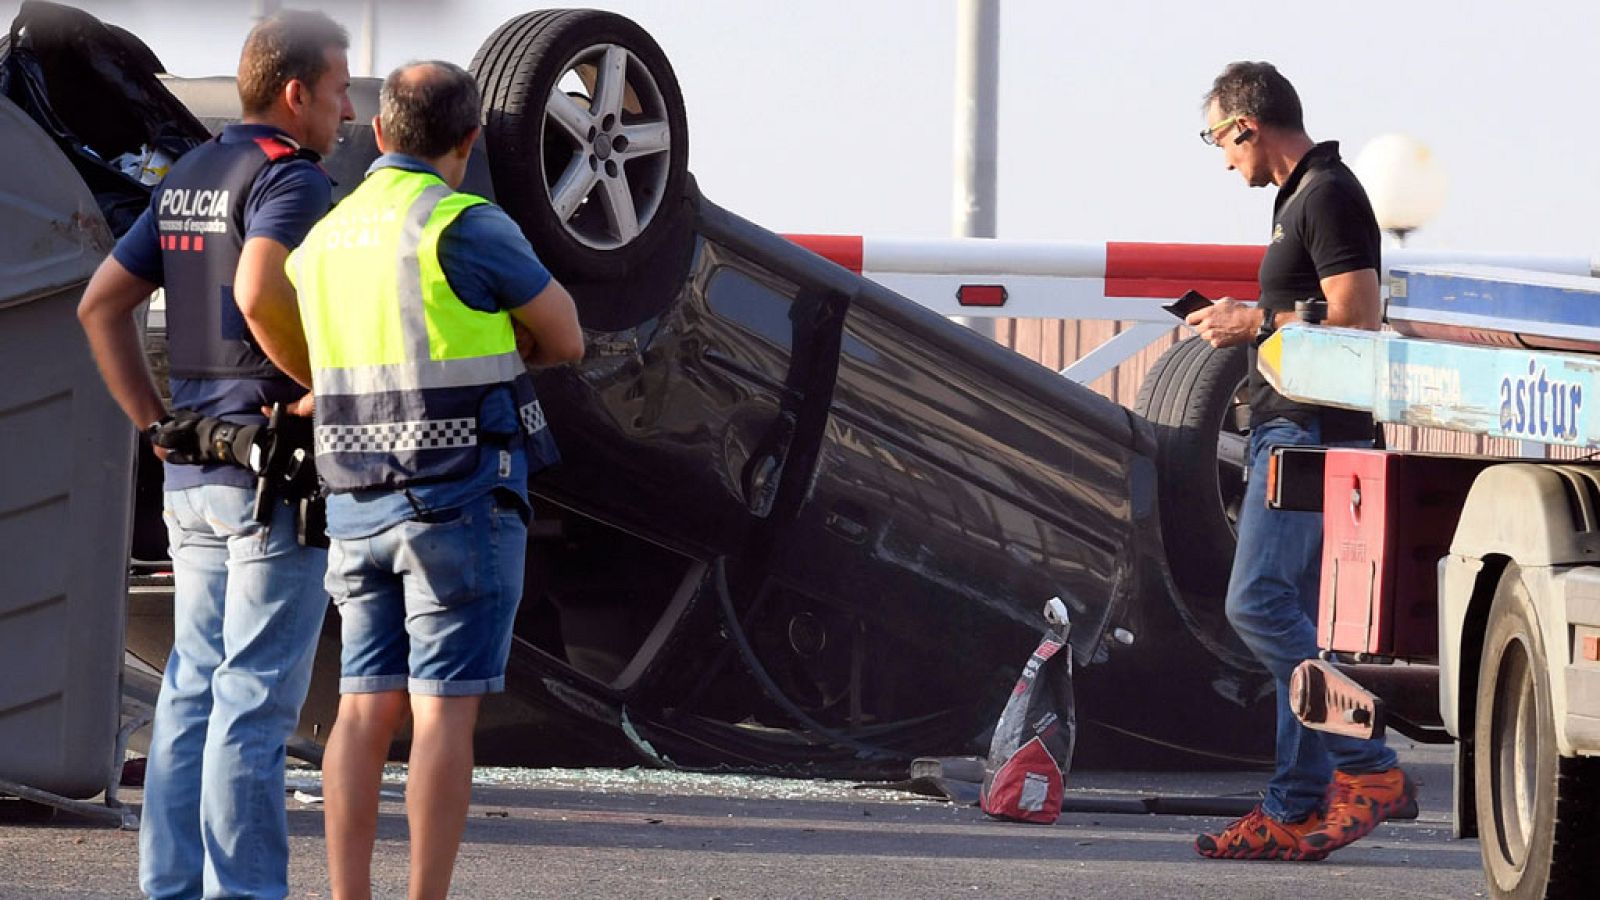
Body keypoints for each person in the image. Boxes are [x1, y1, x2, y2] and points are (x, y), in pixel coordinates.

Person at [272, 61, 583, 899]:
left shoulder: (325, 240)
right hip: (457, 498)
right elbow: (567, 336)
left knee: (363, 708)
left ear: (378, 132)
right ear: (468, 140)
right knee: (443, 710)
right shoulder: (464, 223)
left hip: (353, 503)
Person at [76, 10, 353, 898]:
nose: (348, 111)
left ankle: (170, 886)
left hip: (193, 469)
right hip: (270, 478)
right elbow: (260, 287)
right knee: (255, 701)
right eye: (340, 90)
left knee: (192, 692)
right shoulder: (290, 179)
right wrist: (326, 385)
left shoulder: (190, 173)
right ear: (296, 92)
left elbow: (100, 306)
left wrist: (153, 423)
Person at [1186, 61, 1414, 861]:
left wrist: (1253, 322)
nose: (1222, 159)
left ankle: (1369, 765)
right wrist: (1257, 320)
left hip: (1309, 433)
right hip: (1303, 430)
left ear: (1247, 125)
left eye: (1218, 139)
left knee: (1256, 606)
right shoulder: (1301, 198)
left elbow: (1357, 315)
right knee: (1298, 627)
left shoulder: (1327, 193)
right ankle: (1293, 805)